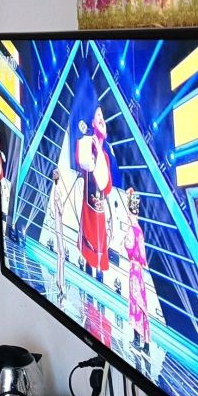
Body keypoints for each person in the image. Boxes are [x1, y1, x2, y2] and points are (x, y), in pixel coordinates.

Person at [76, 106, 114, 282]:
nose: (102, 118)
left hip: (100, 214)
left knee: (99, 264)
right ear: (92, 122)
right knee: (88, 261)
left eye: (103, 116)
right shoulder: (87, 145)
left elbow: (106, 187)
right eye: (98, 115)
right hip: (89, 212)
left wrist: (99, 150)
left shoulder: (104, 155)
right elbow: (82, 161)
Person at [124, 188, 150, 356]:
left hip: (135, 271)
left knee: (137, 305)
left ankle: (140, 341)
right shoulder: (137, 230)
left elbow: (129, 247)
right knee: (138, 304)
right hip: (136, 270)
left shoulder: (133, 230)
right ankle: (141, 341)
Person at [51, 169, 66, 298]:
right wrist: (62, 204)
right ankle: (61, 283)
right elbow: (60, 210)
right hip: (58, 227)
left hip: (58, 226)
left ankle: (59, 282)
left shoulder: (56, 190)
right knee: (62, 256)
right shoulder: (57, 191)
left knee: (60, 255)